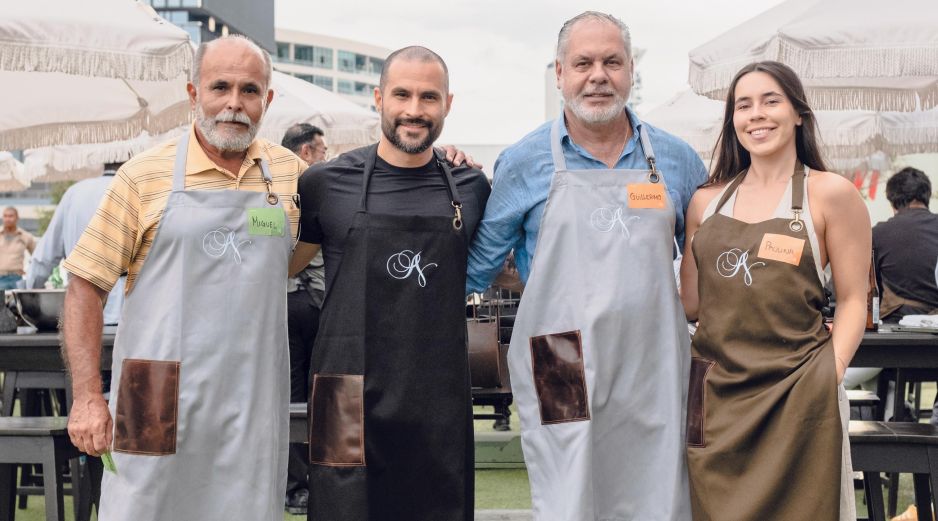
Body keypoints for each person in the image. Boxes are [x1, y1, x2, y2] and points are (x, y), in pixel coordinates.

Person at [466, 12, 706, 520]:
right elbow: (477, 267)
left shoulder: (678, 160)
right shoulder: (525, 160)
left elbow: (706, 265)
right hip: (559, 359)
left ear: (630, 70)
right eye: (583, 63)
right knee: (567, 491)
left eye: (612, 62)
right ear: (559, 74)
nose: (598, 75)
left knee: (657, 490)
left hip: (653, 358)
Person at [61, 35, 305, 521]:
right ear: (194, 93)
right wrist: (88, 397)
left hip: (251, 397)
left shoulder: (294, 177)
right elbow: (85, 285)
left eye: (250, 90)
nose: (234, 104)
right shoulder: (141, 177)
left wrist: (442, 160)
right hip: (152, 395)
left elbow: (349, 213)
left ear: (268, 100)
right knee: (143, 508)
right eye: (220, 87)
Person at [290, 45, 490, 521]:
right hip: (344, 392)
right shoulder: (324, 182)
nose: (414, 110)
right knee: (342, 506)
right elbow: (287, 263)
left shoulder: (470, 187)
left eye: (429, 97)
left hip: (435, 394)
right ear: (379, 97)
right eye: (402, 95)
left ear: (448, 104)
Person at [679, 61, 869, 520]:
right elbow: (692, 303)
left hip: (799, 392)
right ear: (732, 120)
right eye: (743, 105)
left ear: (798, 113)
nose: (756, 115)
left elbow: (852, 299)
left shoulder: (832, 194)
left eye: (771, 101)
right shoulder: (706, 201)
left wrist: (833, 369)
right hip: (716, 396)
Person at [280, 123, 327, 515]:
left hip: (285, 305)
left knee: (295, 394)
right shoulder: (314, 187)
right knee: (315, 395)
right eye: (322, 150)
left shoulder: (268, 186)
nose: (326, 157)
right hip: (310, 303)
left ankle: (297, 486)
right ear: (306, 151)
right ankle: (307, 484)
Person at [26, 163, 126, 325]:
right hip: (131, 312)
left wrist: (29, 298)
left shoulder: (75, 192)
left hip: (82, 306)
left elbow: (44, 257)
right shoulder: (140, 189)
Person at [873, 167, 938, 320]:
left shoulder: (878, 233)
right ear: (926, 197)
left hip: (898, 330)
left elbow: (870, 287)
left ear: (894, 203)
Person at [0, 207, 36, 290]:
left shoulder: (26, 236)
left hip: (16, 279)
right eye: (5, 216)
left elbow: (36, 257)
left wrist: (30, 272)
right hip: (0, 278)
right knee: (1, 303)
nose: (8, 219)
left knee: (17, 303)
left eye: (11, 216)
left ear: (17, 218)